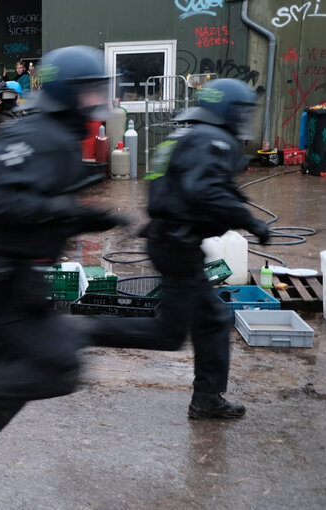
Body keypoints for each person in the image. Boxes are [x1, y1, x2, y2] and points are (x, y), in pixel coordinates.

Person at [0, 46, 128, 497]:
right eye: (88, 91)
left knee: (12, 381)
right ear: (66, 94)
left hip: (15, 274)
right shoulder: (38, 135)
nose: (95, 101)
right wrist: (61, 208)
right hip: (4, 275)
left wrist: (88, 217)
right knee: (56, 368)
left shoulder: (53, 134)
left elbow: (35, 203)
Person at [84, 78, 271, 420]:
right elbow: (204, 191)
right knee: (169, 333)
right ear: (228, 110)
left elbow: (180, 184)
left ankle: (207, 398)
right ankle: (83, 330)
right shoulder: (213, 139)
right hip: (177, 244)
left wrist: (232, 195)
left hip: (171, 239)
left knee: (210, 320)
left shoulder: (189, 134)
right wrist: (250, 220)